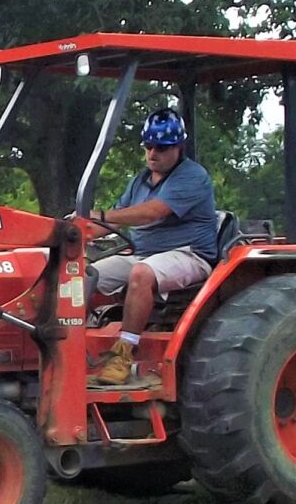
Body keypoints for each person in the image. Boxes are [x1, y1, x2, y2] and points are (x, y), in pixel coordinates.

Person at [89, 109, 220, 387]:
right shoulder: (140, 180)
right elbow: (115, 220)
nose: (153, 153)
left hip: (189, 253)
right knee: (83, 275)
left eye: (161, 148)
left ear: (179, 147)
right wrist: (75, 229)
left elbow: (151, 213)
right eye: (148, 146)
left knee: (141, 274)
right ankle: (69, 347)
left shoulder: (192, 176)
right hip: (144, 253)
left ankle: (123, 355)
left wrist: (99, 216)